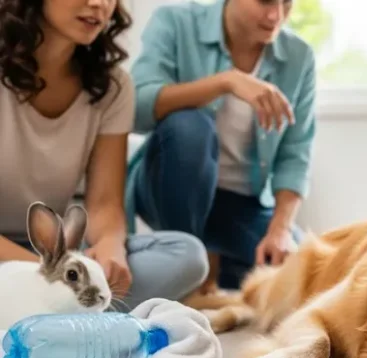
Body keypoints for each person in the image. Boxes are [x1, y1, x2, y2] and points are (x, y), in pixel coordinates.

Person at [0, 0, 208, 311]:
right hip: (29, 263)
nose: (99, 4)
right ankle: (77, 315)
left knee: (187, 255)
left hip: (58, 255)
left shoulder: (113, 86)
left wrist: (111, 246)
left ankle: (51, 312)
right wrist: (47, 277)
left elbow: (105, 203)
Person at [126, 0, 316, 292]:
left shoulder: (298, 57)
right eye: (265, 1)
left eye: (286, 3)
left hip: (240, 204)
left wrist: (280, 230)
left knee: (304, 271)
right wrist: (226, 82)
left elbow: (295, 155)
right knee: (190, 127)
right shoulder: (175, 22)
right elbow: (136, 107)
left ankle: (218, 265)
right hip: (165, 187)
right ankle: (191, 264)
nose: (276, 15)